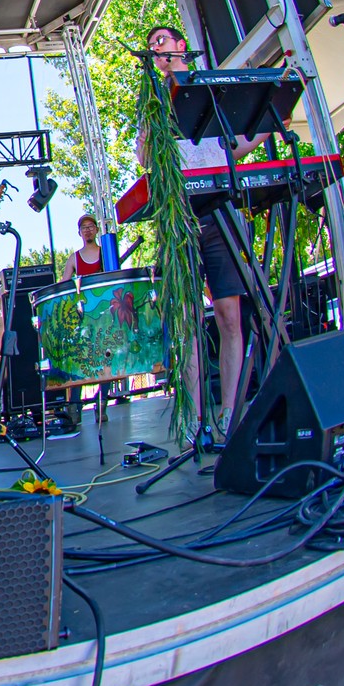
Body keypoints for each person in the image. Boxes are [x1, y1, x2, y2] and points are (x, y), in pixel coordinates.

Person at [135, 24, 262, 444]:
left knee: (229, 314)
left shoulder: (208, 85)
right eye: (152, 45)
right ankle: (193, 419)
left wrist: (265, 121)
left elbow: (232, 147)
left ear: (181, 47)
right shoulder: (155, 101)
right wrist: (153, 109)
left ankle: (230, 413)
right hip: (181, 218)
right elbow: (144, 158)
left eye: (162, 41)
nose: (156, 48)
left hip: (220, 212)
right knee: (188, 321)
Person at [59, 212, 106, 281]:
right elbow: (63, 285)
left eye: (90, 226)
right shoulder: (73, 258)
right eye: (83, 227)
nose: (87, 230)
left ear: (97, 230)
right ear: (79, 233)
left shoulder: (106, 253)